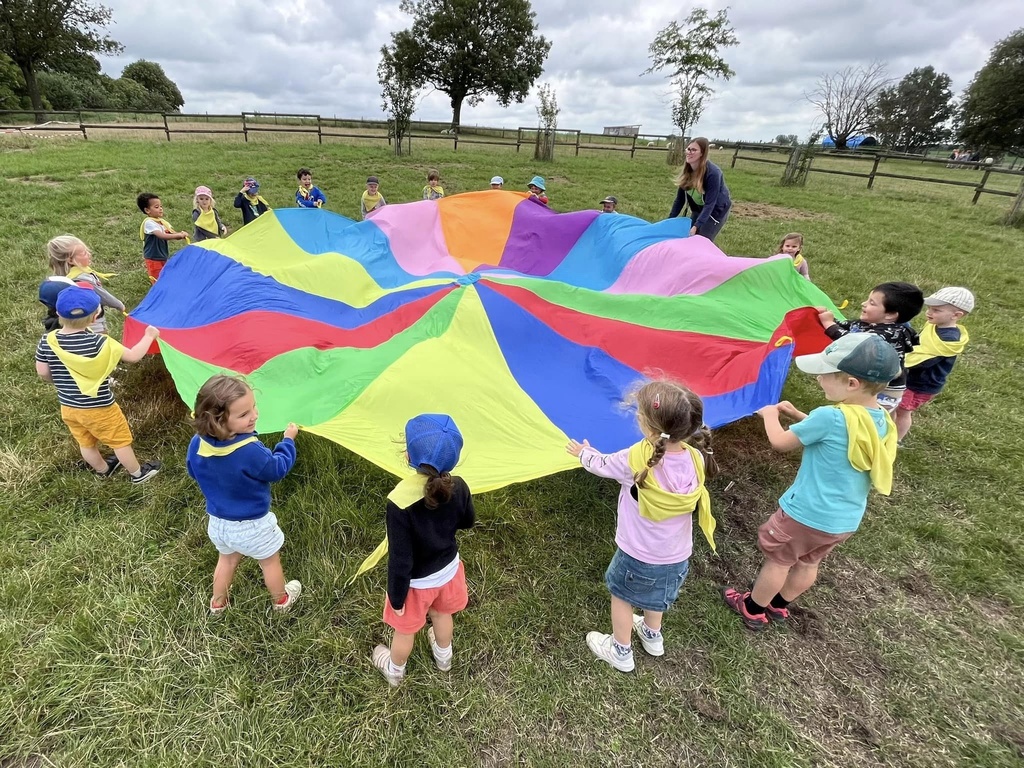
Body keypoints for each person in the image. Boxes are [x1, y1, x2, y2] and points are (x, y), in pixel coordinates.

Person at [721, 333, 900, 630]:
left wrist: (769, 415)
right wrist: (798, 416)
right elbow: (843, 435)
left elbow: (780, 442)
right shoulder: (880, 418)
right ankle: (780, 605)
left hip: (807, 515)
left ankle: (753, 607)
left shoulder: (829, 416)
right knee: (808, 562)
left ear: (852, 384)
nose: (818, 379)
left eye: (824, 374)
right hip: (843, 520)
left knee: (780, 560)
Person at [566, 380, 717, 673]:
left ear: (647, 426)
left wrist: (583, 452)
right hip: (676, 554)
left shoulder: (637, 459)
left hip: (638, 553)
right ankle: (652, 634)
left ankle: (620, 650)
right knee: (657, 594)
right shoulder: (697, 458)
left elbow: (602, 464)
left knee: (621, 596)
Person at [186, 375, 303, 615]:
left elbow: (193, 470)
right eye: (243, 415)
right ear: (218, 421)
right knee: (269, 562)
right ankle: (281, 601)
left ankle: (218, 604)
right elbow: (276, 468)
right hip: (253, 525)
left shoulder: (197, 443)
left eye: (253, 407)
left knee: (226, 560)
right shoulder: (249, 450)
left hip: (218, 523)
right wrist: (287, 442)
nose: (254, 415)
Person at [372, 414, 475, 686]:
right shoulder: (460, 485)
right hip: (449, 572)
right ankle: (444, 659)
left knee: (405, 631)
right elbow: (467, 521)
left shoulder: (399, 502)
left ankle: (394, 671)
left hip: (416, 585)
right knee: (442, 616)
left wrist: (396, 598)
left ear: (409, 456)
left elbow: (400, 559)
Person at [35, 286, 162, 483]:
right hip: (101, 407)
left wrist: (59, 381)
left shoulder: (47, 341)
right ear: (96, 316)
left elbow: (43, 372)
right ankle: (137, 474)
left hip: (69, 407)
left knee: (85, 443)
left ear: (58, 312)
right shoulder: (100, 342)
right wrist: (149, 336)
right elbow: (134, 356)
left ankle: (103, 469)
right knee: (120, 441)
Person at [815, 281, 923, 412]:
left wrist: (828, 324)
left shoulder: (887, 334)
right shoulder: (870, 323)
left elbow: (850, 343)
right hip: (871, 383)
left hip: (886, 390)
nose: (863, 304)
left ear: (890, 315)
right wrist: (829, 319)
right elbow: (847, 326)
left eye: (872, 303)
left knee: (868, 418)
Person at [894, 287, 974, 442]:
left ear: (956, 315)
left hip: (921, 384)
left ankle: (896, 440)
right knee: (895, 408)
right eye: (929, 308)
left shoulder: (948, 339)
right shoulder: (935, 326)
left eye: (936, 310)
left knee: (902, 411)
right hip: (912, 379)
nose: (929, 313)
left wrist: (900, 358)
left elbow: (923, 361)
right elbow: (921, 344)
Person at [47, 235, 125, 335]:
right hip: (93, 322)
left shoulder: (64, 278)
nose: (89, 254)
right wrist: (119, 305)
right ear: (70, 260)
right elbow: (103, 296)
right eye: (84, 253)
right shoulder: (81, 278)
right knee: (101, 344)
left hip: (74, 322)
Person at [668, 136, 732, 242]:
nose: (690, 152)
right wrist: (669, 221)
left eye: (694, 150)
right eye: (688, 149)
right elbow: (679, 201)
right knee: (688, 237)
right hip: (699, 209)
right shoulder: (687, 171)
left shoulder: (713, 173)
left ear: (702, 153)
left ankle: (714, 257)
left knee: (702, 240)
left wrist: (697, 226)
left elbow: (710, 204)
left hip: (716, 210)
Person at [137, 193, 189, 282]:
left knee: (164, 275)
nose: (161, 209)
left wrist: (180, 235)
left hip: (162, 256)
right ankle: (158, 294)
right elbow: (162, 236)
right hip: (153, 258)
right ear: (147, 210)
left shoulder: (161, 222)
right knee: (157, 279)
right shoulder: (149, 223)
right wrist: (178, 235)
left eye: (161, 206)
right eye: (156, 207)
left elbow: (170, 233)